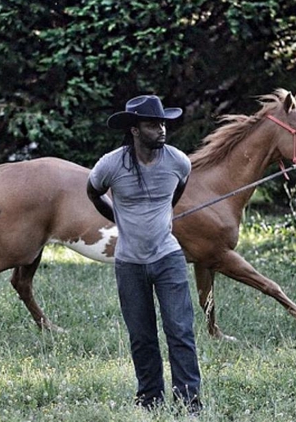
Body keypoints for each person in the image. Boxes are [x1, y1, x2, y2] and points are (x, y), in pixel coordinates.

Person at [87, 95, 202, 414]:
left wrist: (160, 213)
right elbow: (92, 192)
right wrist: (118, 217)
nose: (161, 129)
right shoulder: (111, 164)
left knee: (180, 331)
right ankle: (150, 400)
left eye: (163, 123)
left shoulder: (179, 161)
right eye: (153, 125)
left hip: (168, 259)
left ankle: (189, 403)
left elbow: (175, 192)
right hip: (129, 263)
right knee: (141, 336)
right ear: (135, 130)